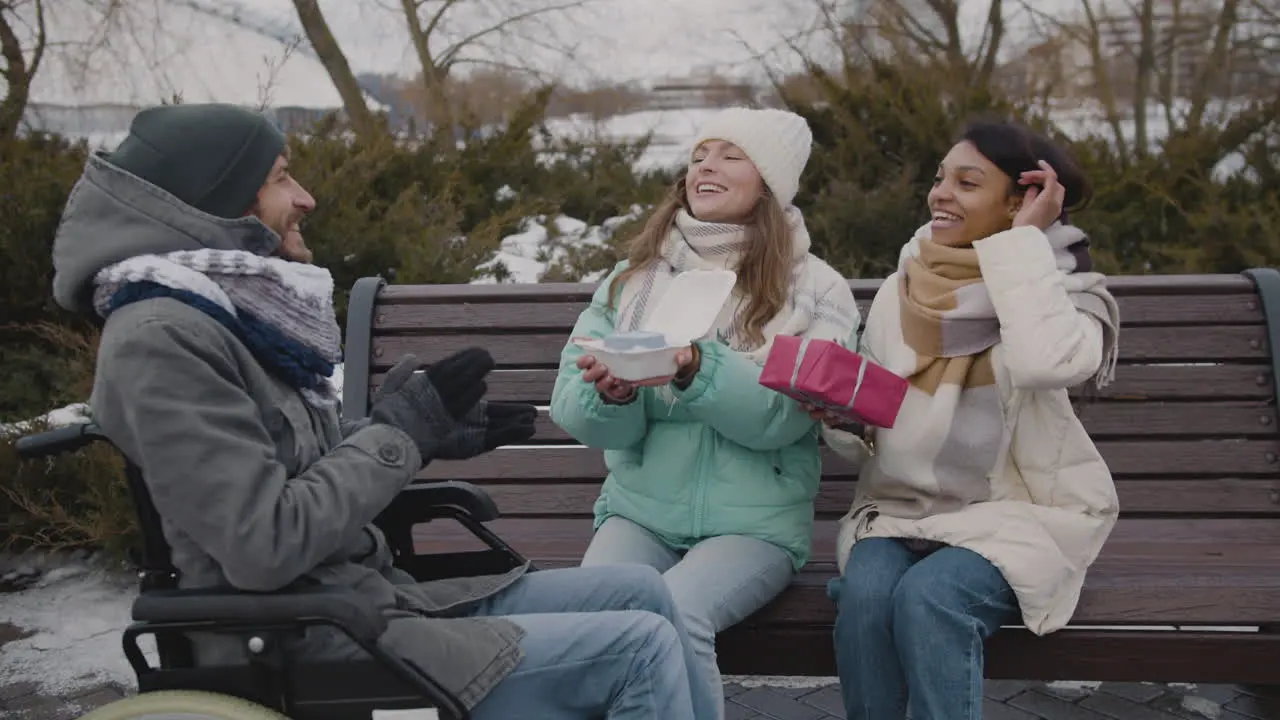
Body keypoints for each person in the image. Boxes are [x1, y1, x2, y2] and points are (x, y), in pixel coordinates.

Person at [49, 102, 718, 720]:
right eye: (283, 178)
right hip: (303, 640)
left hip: (365, 601)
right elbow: (262, 544)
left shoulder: (225, 316)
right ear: (219, 200)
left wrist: (414, 437)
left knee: (643, 592)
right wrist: (398, 436)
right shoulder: (164, 339)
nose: (305, 197)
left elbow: (286, 470)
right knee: (638, 649)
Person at [549, 106, 861, 719]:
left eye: (729, 154)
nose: (706, 166)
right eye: (698, 155)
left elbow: (783, 421)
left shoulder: (818, 291)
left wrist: (696, 367)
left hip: (755, 526)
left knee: (675, 612)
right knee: (587, 621)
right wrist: (613, 394)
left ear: (768, 182)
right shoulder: (631, 280)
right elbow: (572, 408)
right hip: (640, 513)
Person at [816, 119, 1122, 720]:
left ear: (1022, 200)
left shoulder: (1067, 292)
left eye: (967, 182)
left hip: (1016, 515)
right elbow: (875, 438)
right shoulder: (902, 291)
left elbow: (1045, 362)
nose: (941, 194)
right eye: (940, 179)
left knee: (931, 598)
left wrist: (1021, 245)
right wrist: (844, 418)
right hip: (902, 510)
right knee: (868, 594)